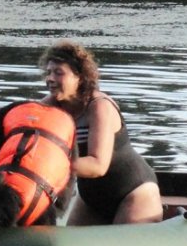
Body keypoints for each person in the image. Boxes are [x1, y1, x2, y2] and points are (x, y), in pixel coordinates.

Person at [39, 39, 163, 225]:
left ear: (79, 77)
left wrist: (48, 166)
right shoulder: (47, 106)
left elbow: (97, 165)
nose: (50, 78)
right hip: (92, 200)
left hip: (133, 193)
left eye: (59, 73)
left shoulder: (99, 107)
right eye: (48, 73)